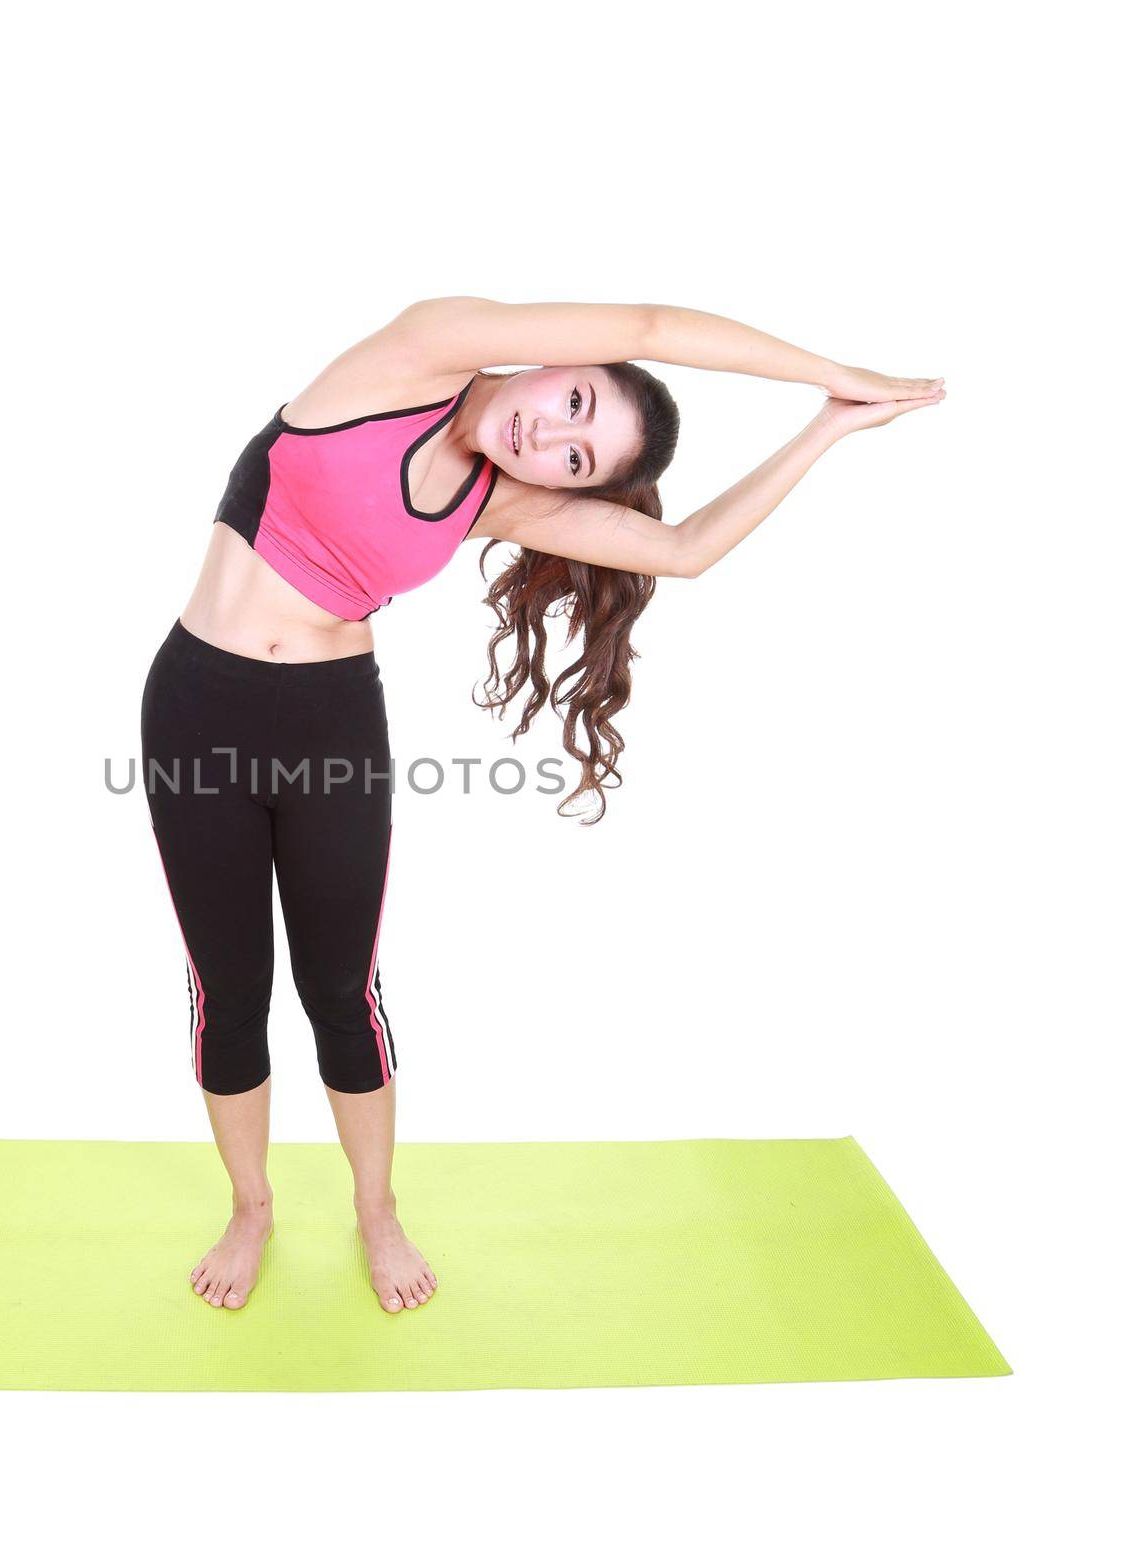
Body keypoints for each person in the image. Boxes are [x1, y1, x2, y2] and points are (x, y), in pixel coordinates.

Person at [139, 297, 944, 1314]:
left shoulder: (495, 499)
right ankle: (250, 1207)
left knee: (342, 991)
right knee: (227, 990)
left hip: (330, 726)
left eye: (576, 458)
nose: (550, 438)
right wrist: (828, 364)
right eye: (574, 401)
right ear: (567, 361)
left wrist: (826, 424)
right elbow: (650, 326)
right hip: (195, 709)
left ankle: (375, 1210)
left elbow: (686, 548)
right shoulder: (418, 355)